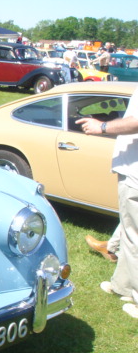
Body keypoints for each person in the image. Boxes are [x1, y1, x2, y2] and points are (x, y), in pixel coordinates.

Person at [76, 86, 138, 318]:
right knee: (128, 231)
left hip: (135, 175)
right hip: (131, 172)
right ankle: (122, 285)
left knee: (134, 238)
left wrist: (101, 126)